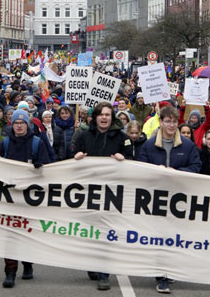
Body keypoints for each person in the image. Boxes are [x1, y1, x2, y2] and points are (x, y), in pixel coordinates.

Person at [137, 105, 201, 293]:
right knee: (159, 236)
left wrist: (178, 172)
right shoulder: (149, 144)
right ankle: (161, 275)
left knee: (175, 236)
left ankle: (169, 269)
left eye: (174, 121)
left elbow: (197, 166)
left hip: (179, 198)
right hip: (155, 197)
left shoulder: (187, 145)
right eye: (168, 121)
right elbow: (142, 167)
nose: (171, 125)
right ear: (161, 122)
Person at [72, 102, 131, 291]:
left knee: (106, 232)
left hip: (112, 192)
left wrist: (125, 160)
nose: (104, 117)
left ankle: (104, 273)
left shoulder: (122, 138)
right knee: (91, 232)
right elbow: (69, 155)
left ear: (112, 117)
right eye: (101, 114)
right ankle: (93, 264)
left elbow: (133, 161)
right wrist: (76, 156)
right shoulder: (84, 135)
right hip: (88, 191)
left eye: (107, 114)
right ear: (95, 117)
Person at [0, 109, 50, 288]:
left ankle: (28, 264)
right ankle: (10, 271)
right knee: (10, 235)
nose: (19, 125)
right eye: (16, 122)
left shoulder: (37, 143)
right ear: (12, 124)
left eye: (22, 122)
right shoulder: (4, 144)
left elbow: (48, 168)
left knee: (28, 232)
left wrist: (39, 167)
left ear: (28, 124)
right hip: (10, 196)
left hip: (30, 198)